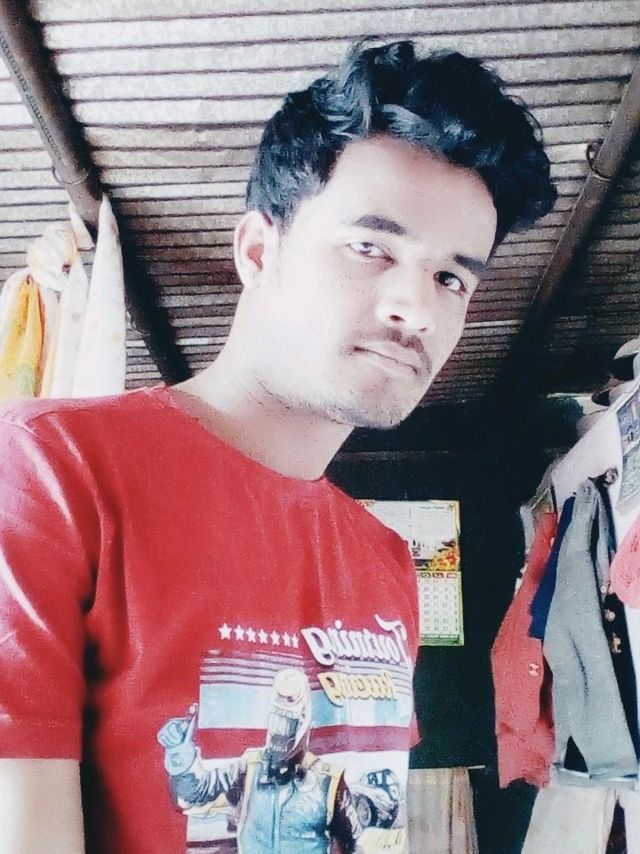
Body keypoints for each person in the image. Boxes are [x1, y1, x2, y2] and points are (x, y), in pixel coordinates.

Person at [0, 39, 556, 854]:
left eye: (452, 278)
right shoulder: (47, 468)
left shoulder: (384, 561)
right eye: (371, 248)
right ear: (259, 252)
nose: (418, 309)